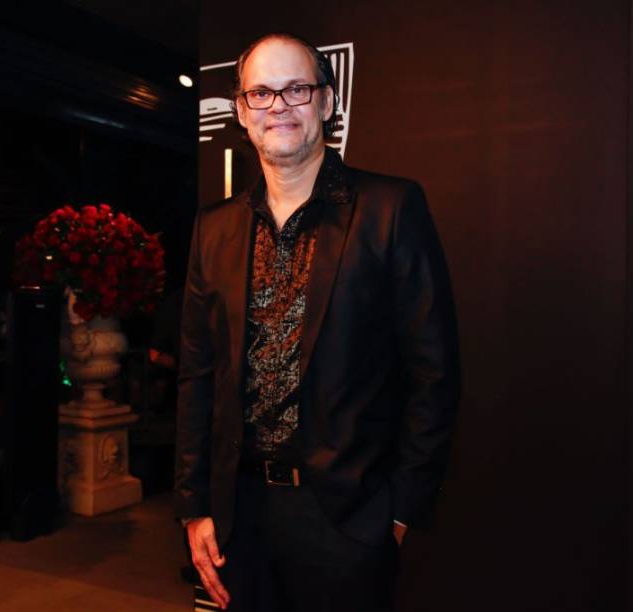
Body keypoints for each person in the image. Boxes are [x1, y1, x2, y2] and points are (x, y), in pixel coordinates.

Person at [175, 32, 460, 612]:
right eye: (261, 93)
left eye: (296, 89)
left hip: (347, 518)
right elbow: (197, 375)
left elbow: (434, 373)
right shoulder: (214, 228)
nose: (278, 106)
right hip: (240, 515)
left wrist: (399, 511)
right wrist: (194, 505)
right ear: (241, 112)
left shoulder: (390, 209)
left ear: (327, 102)